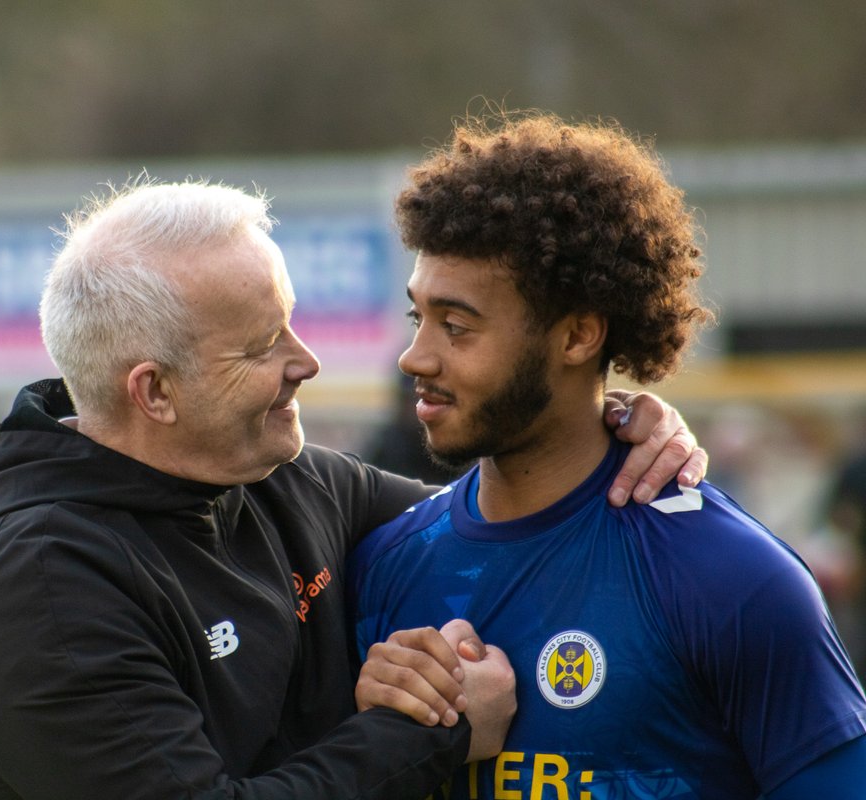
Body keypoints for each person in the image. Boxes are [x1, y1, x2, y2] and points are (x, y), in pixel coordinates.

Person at [0, 178, 706, 799]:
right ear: (155, 392)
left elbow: (504, 525)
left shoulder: (287, 480)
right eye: (264, 344)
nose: (306, 361)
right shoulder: (44, 586)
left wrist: (603, 427)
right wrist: (435, 727)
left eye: (291, 324)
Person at [349, 111, 866, 798]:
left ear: (578, 336)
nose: (415, 357)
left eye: (457, 325)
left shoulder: (733, 582)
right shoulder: (382, 564)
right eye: (419, 318)